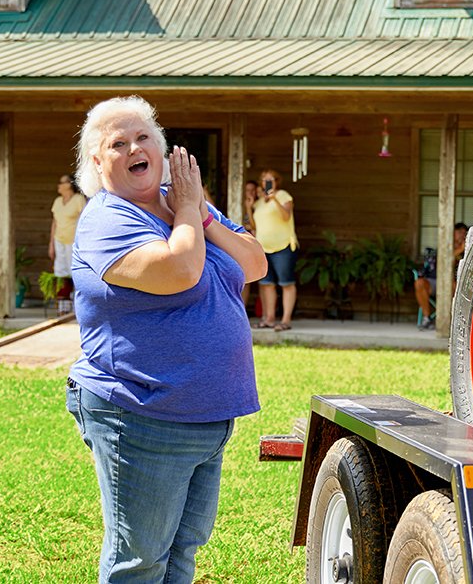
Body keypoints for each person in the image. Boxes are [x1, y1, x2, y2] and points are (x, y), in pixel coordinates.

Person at [65, 96, 267, 583]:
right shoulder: (108, 219)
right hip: (142, 414)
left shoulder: (187, 206)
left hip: (204, 415)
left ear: (161, 147)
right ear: (97, 161)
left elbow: (255, 264)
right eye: (118, 143)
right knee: (140, 561)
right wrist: (189, 213)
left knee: (181, 555)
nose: (135, 147)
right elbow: (180, 268)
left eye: (143, 137)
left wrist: (202, 214)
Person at [251, 169, 298, 331]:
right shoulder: (258, 203)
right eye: (264, 180)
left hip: (283, 246)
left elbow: (286, 216)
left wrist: (275, 200)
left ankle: (286, 320)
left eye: (271, 179)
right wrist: (248, 207)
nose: (267, 182)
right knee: (267, 284)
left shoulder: (283, 195)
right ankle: (269, 318)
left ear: (277, 181)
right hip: (263, 248)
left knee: (286, 283)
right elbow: (254, 226)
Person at [414, 223, 468, 330]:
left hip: (455, 286)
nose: (462, 235)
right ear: (452, 234)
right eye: (459, 232)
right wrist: (459, 250)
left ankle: (455, 321)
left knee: (454, 285)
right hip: (435, 281)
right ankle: (427, 318)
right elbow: (444, 261)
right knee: (419, 283)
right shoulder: (444, 246)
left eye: (464, 233)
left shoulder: (467, 251)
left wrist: (463, 250)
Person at [49, 174, 86, 314]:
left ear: (69, 184)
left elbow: (84, 219)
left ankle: (78, 308)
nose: (58, 185)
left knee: (75, 272)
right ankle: (63, 308)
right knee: (61, 272)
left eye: (61, 182)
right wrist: (51, 244)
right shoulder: (57, 201)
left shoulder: (78, 200)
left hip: (74, 241)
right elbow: (55, 223)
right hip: (59, 240)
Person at [239, 179, 259, 314]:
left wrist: (249, 208)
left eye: (253, 190)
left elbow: (254, 226)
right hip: (239, 242)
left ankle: (243, 309)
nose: (250, 193)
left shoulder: (258, 205)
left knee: (247, 279)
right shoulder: (236, 203)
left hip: (252, 243)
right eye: (247, 190)